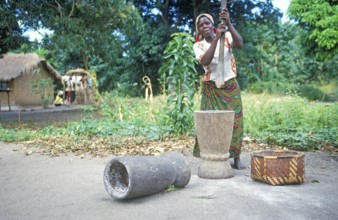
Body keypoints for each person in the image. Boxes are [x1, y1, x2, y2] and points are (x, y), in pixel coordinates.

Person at [193, 8, 245, 169]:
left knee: (235, 121)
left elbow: (240, 44)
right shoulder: (199, 45)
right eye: (201, 25)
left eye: (207, 22)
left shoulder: (227, 36)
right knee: (210, 123)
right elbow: (205, 61)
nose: (204, 26)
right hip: (211, 89)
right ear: (199, 30)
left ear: (212, 23)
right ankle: (210, 155)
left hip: (230, 85)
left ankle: (235, 157)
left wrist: (228, 23)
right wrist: (215, 39)